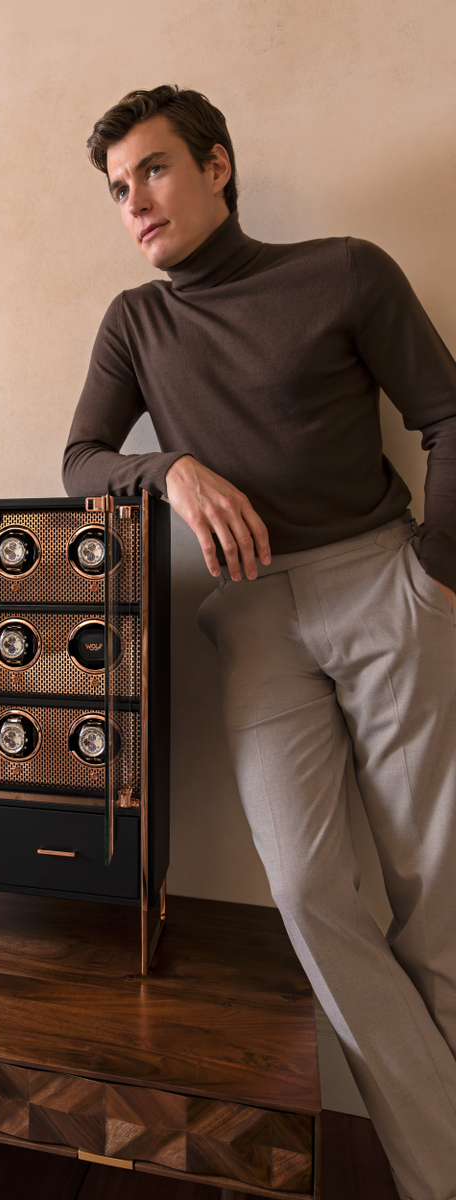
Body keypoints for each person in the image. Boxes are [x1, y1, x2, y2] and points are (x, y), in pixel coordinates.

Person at [62, 85, 456, 1200]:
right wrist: (170, 468)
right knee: (307, 892)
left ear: (217, 166)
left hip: (385, 590)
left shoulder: (344, 270)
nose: (135, 203)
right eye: (117, 189)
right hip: (249, 616)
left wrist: (438, 573)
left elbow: (447, 412)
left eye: (152, 169)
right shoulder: (135, 324)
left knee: (438, 900)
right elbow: (82, 461)